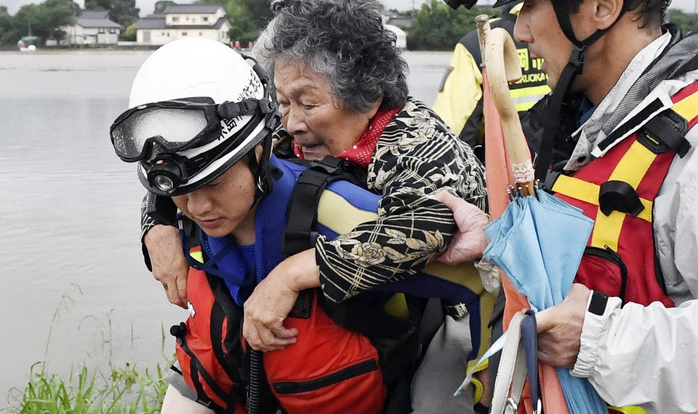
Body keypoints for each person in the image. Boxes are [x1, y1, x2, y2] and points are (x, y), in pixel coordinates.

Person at [135, 0, 491, 412]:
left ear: (368, 93)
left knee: (436, 402)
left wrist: (291, 276)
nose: (291, 123)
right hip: (329, 325)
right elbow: (201, 157)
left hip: (448, 309)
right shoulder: (296, 136)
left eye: (308, 102)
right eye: (283, 103)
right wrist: (157, 220)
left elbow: (423, 231)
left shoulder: (425, 146)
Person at [445, 0, 698, 410]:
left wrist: (599, 339)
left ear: (602, 8)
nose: (521, 31)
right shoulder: (579, 120)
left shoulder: (690, 147)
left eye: (528, 7)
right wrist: (497, 237)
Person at [433, 1, 549, 161]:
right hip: (565, 169)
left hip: (501, 172)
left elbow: (450, 135)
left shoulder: (474, 45)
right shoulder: (571, 35)